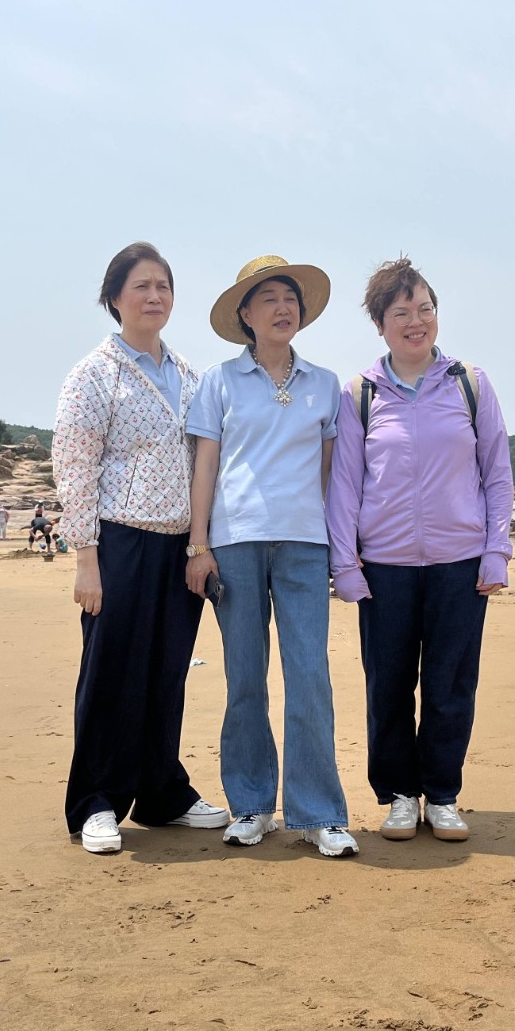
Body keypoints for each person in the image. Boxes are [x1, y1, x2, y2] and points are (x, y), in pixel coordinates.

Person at [327, 258, 514, 844]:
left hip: (461, 563)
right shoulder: (359, 393)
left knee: (451, 683)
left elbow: (497, 474)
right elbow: (344, 485)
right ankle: (400, 796)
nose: (416, 321)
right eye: (401, 312)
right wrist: (345, 564)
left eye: (425, 309)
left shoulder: (470, 383)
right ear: (379, 324)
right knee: (387, 685)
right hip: (385, 567)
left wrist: (496, 551)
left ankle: (443, 795)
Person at [53, 241, 230, 854]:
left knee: (166, 672)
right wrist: (86, 559)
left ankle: (161, 793)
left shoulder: (189, 375)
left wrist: (202, 544)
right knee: (110, 673)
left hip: (181, 546)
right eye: (141, 287)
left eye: (163, 286)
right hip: (119, 542)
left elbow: (208, 457)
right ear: (114, 298)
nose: (155, 296)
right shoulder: (94, 374)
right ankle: (97, 801)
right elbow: (74, 467)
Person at [186, 255, 356, 858]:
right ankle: (252, 804)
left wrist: (339, 544)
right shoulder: (218, 382)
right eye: (268, 299)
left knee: (310, 676)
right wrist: (199, 545)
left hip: (305, 543)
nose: (283, 308)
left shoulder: (326, 384)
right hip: (235, 541)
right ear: (245, 314)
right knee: (244, 677)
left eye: (291, 298)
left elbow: (334, 472)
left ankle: (319, 812)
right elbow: (205, 465)